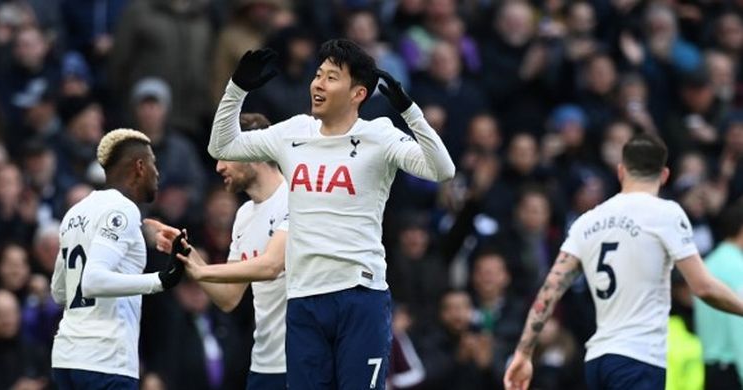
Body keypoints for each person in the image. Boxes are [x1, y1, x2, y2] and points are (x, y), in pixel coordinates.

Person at [208, 39, 455, 389]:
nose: (318, 84)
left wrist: (410, 111)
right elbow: (221, 146)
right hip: (304, 299)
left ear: (358, 93)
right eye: (318, 74)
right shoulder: (293, 132)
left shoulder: (379, 136)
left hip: (360, 296)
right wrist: (237, 90)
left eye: (332, 77)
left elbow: (442, 170)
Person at [504, 133, 743, 390]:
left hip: (597, 361)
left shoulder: (587, 221)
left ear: (621, 171)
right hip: (639, 359)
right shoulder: (666, 214)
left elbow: (549, 290)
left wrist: (524, 352)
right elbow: (703, 287)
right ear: (664, 175)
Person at [146, 113, 290, 389]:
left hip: (304, 360)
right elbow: (229, 297)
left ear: (255, 151)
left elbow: (271, 265)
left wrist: (203, 269)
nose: (219, 167)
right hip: (264, 363)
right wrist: (189, 257)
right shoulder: (245, 215)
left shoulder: (297, 198)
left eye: (226, 155)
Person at [50, 128, 185, 389]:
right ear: (139, 166)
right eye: (154, 164)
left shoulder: (76, 211)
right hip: (106, 361)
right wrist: (161, 280)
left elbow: (59, 291)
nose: (158, 174)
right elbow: (92, 281)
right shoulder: (123, 209)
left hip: (67, 359)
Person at [694, 202, 743, 389]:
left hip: (710, 366)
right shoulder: (737, 268)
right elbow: (740, 327)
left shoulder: (710, 263)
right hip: (733, 367)